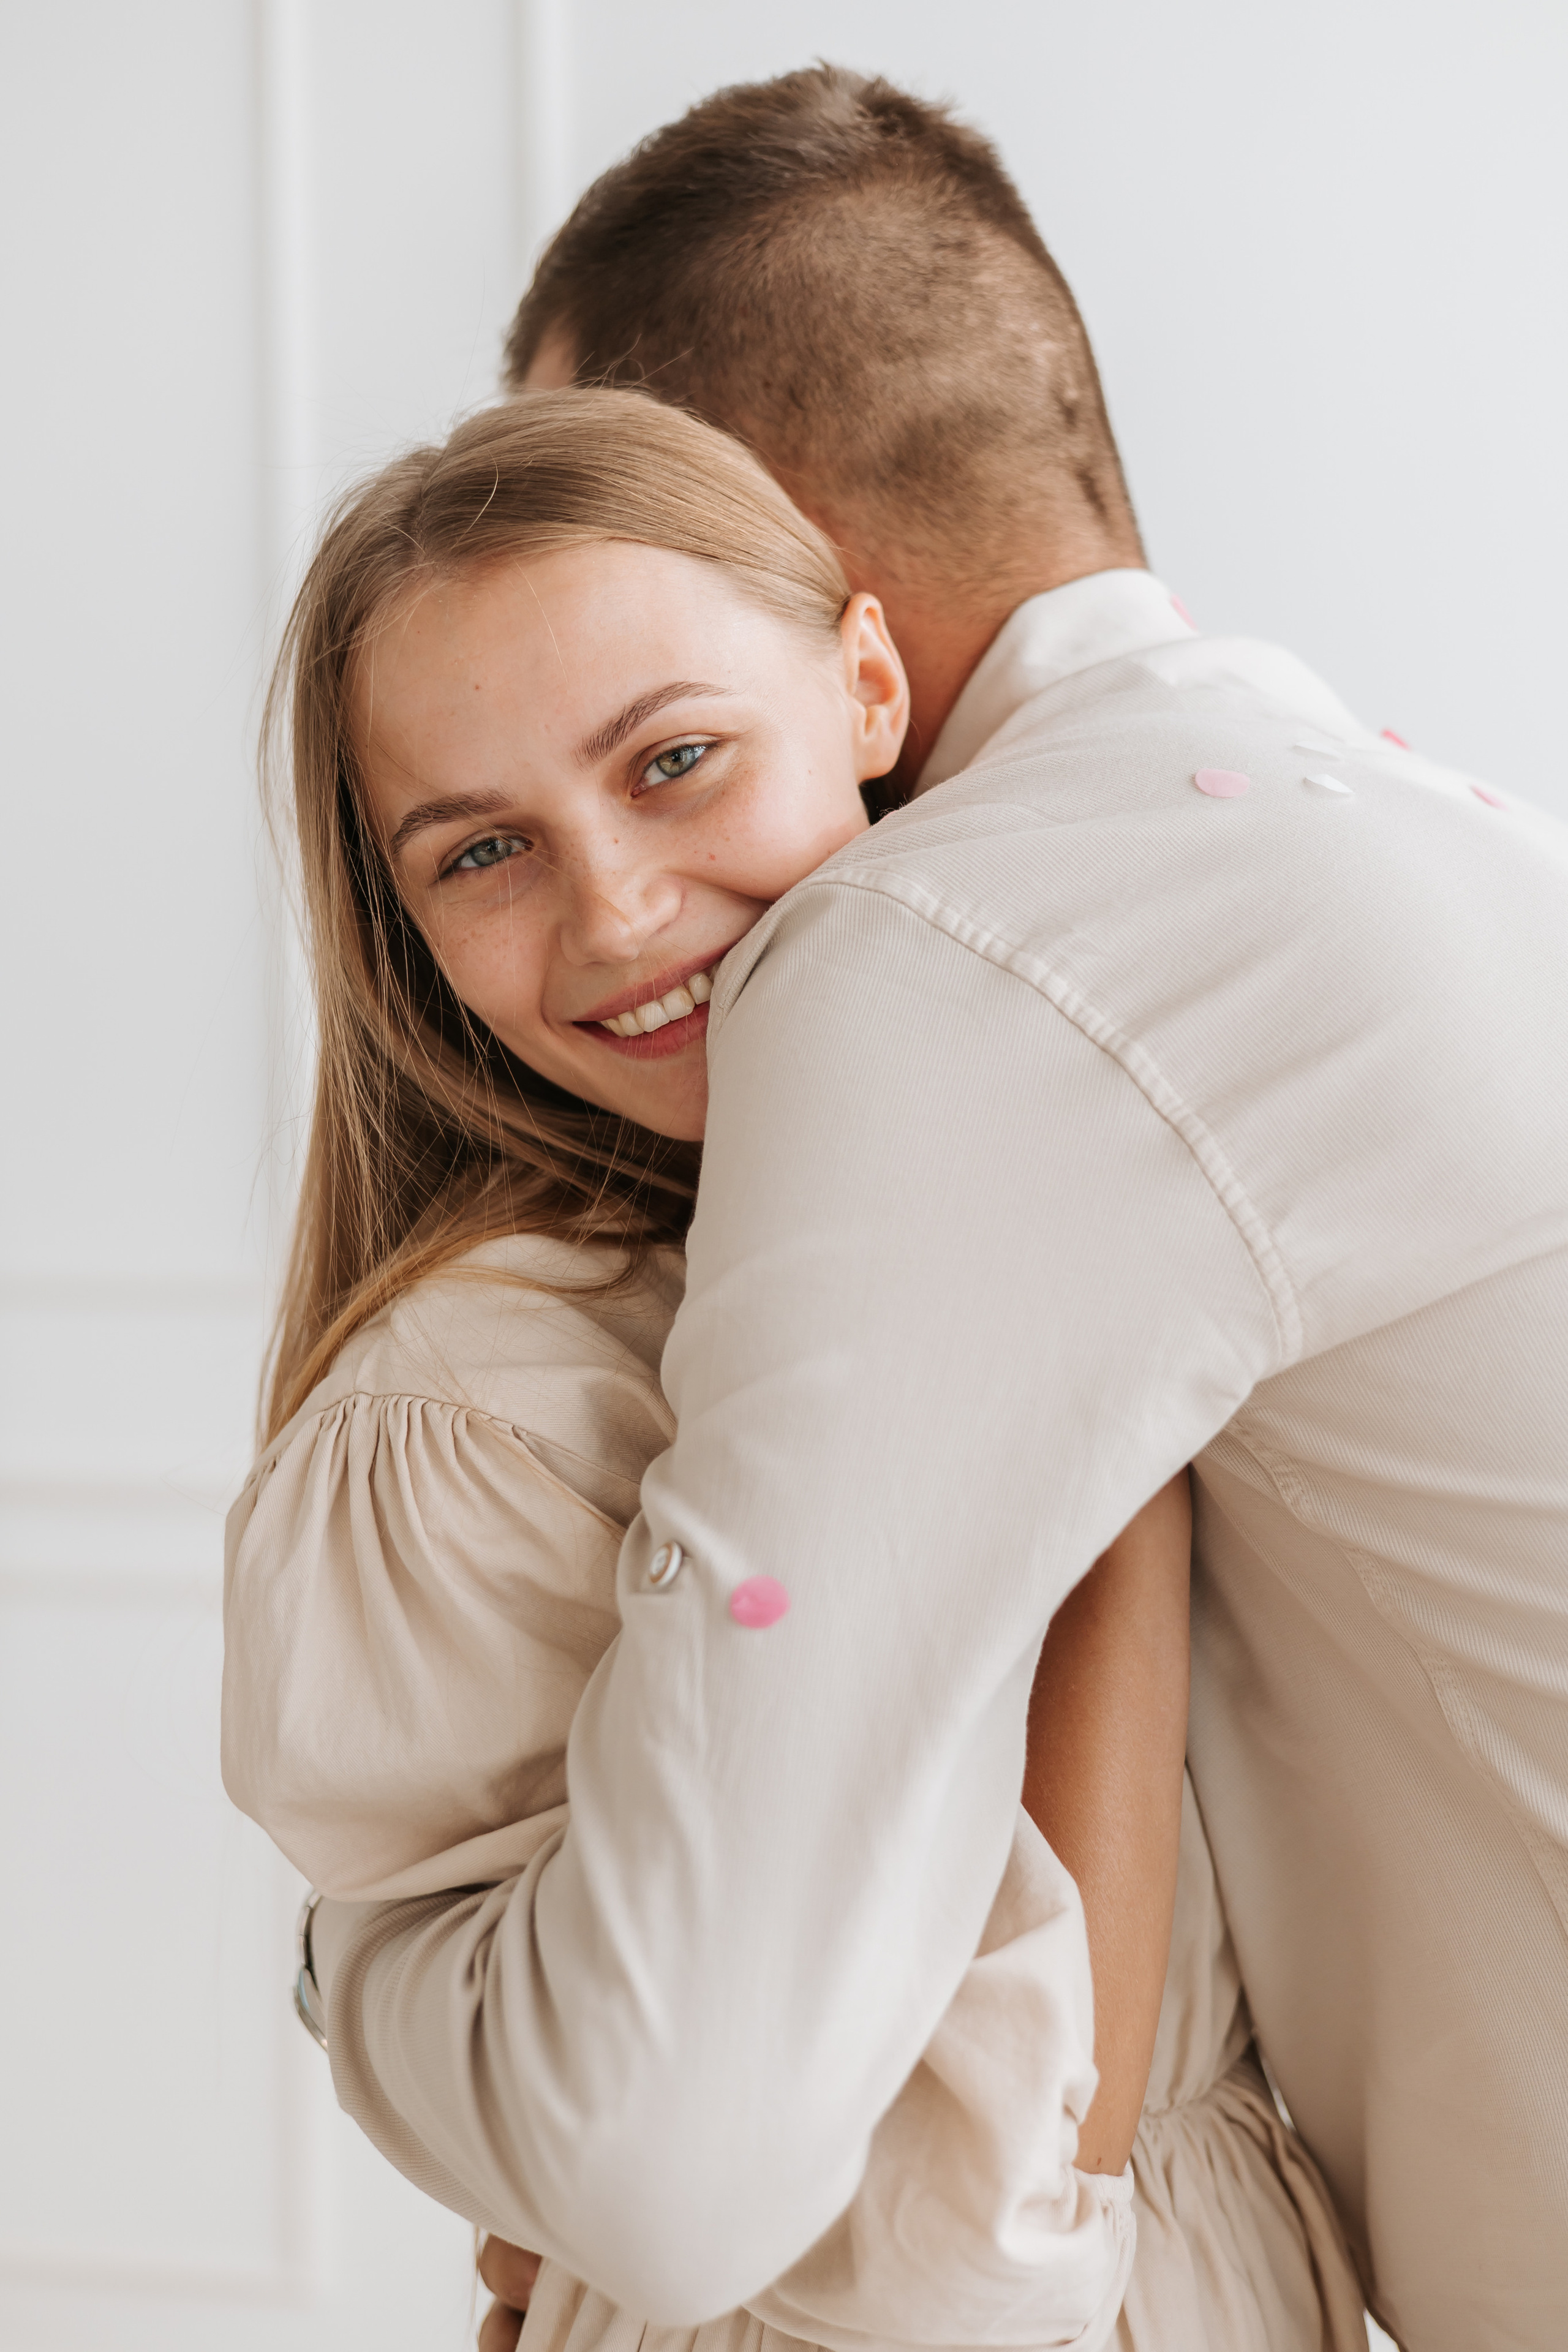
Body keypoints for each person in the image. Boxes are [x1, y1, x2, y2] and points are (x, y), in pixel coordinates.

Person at [268, 67, 1568, 2352]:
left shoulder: (967, 959)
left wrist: (365, 1968)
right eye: (478, 841)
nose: (614, 896)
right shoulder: (1444, 837)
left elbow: (664, 2144)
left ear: (780, 576)